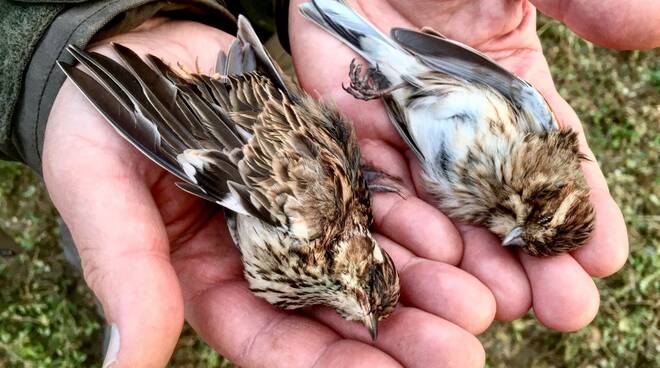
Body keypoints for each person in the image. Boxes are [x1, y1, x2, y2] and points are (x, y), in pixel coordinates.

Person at [2, 0, 657, 367]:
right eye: (363, 294)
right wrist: (66, 48)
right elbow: (223, 154)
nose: (362, 315)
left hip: (267, 133)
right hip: (245, 129)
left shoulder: (324, 239)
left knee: (179, 181)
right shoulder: (312, 225)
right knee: (176, 175)